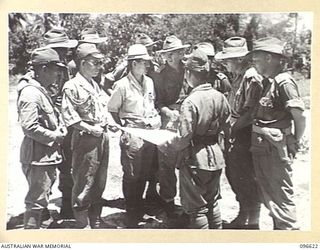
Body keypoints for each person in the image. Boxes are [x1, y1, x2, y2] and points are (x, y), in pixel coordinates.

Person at [159, 49, 231, 229]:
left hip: (195, 159)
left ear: (189, 73)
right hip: (216, 155)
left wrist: (166, 144)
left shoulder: (191, 101)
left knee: (197, 208)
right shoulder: (220, 96)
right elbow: (227, 128)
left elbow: (183, 137)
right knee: (212, 202)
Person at [250, 37, 306, 230]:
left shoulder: (284, 82)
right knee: (271, 199)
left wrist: (292, 141)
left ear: (268, 58)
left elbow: (299, 116)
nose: (254, 64)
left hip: (275, 151)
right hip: (264, 150)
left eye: (256, 60)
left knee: (281, 199)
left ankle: (289, 237)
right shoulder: (269, 82)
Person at [107, 44, 161, 228]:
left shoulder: (150, 82)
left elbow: (151, 105)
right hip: (132, 133)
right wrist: (122, 128)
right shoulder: (122, 85)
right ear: (134, 63)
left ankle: (139, 208)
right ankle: (131, 212)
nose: (147, 65)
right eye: (144, 62)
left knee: (145, 173)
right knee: (131, 174)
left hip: (149, 132)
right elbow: (112, 109)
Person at [215, 37, 263, 229]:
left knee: (246, 178)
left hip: (244, 133)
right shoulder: (238, 77)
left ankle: (253, 222)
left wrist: (233, 129)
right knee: (235, 175)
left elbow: (251, 113)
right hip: (235, 131)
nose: (226, 64)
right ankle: (243, 215)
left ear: (239, 59)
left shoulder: (251, 77)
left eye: (228, 60)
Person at [17, 47, 67, 229]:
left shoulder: (40, 90)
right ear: (43, 69)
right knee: (36, 202)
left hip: (45, 157)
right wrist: (55, 136)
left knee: (41, 199)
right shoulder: (31, 93)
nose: (58, 73)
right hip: (38, 158)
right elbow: (29, 127)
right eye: (56, 69)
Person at [61, 43, 110, 229]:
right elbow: (70, 118)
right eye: (95, 63)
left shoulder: (95, 84)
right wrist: (90, 129)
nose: (99, 67)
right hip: (85, 138)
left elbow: (104, 109)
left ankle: (96, 220)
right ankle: (82, 225)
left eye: (100, 63)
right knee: (83, 181)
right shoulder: (71, 86)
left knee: (100, 180)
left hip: (102, 136)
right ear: (82, 63)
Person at [152, 35, 190, 217]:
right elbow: (157, 102)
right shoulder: (159, 75)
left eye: (181, 51)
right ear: (167, 56)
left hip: (189, 118)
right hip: (168, 119)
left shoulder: (189, 70)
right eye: (176, 52)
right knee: (166, 164)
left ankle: (189, 204)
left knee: (188, 162)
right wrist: (169, 113)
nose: (181, 54)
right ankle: (168, 202)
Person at [43, 27, 78, 219]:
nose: (65, 53)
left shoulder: (67, 67)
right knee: (44, 168)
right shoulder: (41, 69)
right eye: (61, 49)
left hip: (65, 123)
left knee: (67, 165)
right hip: (48, 124)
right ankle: (41, 209)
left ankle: (66, 203)